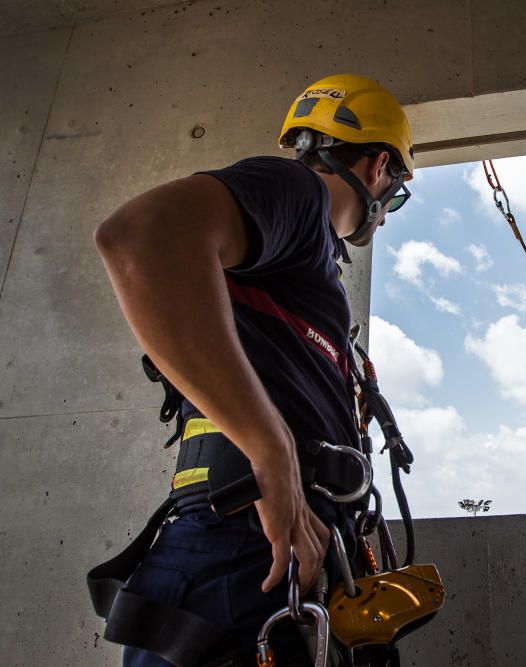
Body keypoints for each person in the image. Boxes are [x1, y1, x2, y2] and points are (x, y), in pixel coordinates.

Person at [93, 74, 414, 666]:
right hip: (241, 556)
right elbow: (139, 236)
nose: (385, 215)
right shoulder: (295, 189)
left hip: (276, 558)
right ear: (377, 168)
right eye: (396, 195)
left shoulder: (304, 253)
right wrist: (272, 450)